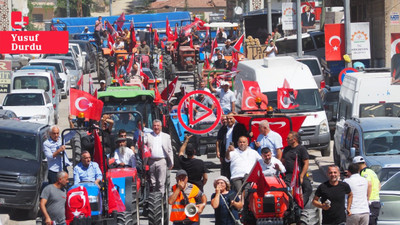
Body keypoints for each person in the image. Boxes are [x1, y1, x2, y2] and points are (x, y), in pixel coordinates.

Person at [282, 131, 312, 205]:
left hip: (300, 174)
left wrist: (301, 176)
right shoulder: (286, 149)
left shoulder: (302, 149)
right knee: (286, 190)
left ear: (294, 139)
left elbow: (306, 163)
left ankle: (300, 205)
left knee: (308, 188)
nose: (286, 140)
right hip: (289, 175)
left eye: (288, 138)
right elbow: (282, 162)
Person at [145, 119, 174, 194]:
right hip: (151, 161)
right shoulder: (148, 136)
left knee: (161, 182)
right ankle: (153, 197)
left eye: (158, 126)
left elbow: (170, 150)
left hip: (162, 161)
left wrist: (171, 162)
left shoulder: (166, 136)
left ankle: (161, 199)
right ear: (152, 127)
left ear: (161, 127)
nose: (156, 127)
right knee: (153, 182)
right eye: (155, 126)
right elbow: (142, 144)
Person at [353, 156, 381, 225]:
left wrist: (367, 199)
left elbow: (369, 184)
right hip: (376, 200)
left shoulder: (364, 173)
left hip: (370, 202)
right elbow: (379, 185)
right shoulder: (372, 172)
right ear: (364, 163)